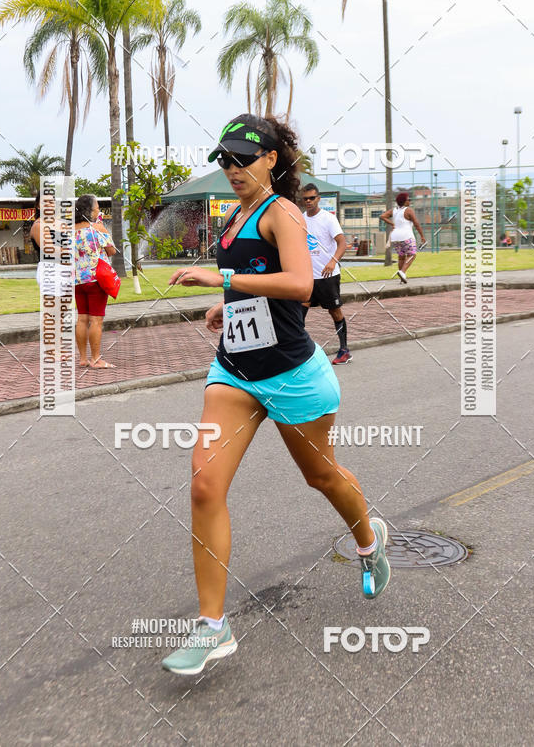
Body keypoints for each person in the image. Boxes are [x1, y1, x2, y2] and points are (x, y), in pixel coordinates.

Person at [161, 114, 390, 676]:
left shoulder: (282, 212)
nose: (231, 168)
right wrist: (227, 308)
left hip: (292, 374)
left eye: (243, 158)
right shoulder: (234, 216)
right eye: (225, 159)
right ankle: (213, 626)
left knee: (322, 476)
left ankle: (369, 537)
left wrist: (224, 284)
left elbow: (300, 285)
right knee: (204, 485)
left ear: (272, 160)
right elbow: (257, 287)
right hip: (235, 372)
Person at [301, 183, 352, 365]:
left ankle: (344, 350)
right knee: (299, 313)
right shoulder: (300, 218)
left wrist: (332, 261)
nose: (308, 201)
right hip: (308, 277)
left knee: (334, 311)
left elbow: (342, 243)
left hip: (327, 277)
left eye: (312, 198)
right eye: (305, 198)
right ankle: (300, 353)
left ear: (318, 198)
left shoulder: (328, 219)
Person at [74, 194, 117, 369]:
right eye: (97, 206)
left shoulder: (70, 230)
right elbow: (111, 251)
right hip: (95, 279)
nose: (99, 209)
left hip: (77, 280)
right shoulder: (98, 229)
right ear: (90, 210)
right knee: (96, 321)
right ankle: (96, 359)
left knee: (82, 319)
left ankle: (83, 359)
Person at [380, 192, 426, 283]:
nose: (410, 201)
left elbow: (382, 216)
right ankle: (402, 272)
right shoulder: (408, 210)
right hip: (406, 236)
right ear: (404, 202)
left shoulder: (394, 210)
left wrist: (391, 223)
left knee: (401, 257)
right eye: (408, 199)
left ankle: (402, 278)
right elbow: (416, 224)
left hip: (395, 237)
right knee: (412, 255)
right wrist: (422, 236)